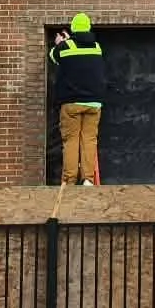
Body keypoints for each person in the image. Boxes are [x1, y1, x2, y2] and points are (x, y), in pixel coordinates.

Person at [50, 13, 107, 185]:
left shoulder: (65, 47)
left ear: (73, 28)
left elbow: (53, 56)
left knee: (71, 140)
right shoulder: (97, 47)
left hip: (71, 103)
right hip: (94, 103)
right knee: (89, 140)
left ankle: (69, 179)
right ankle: (88, 179)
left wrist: (60, 43)